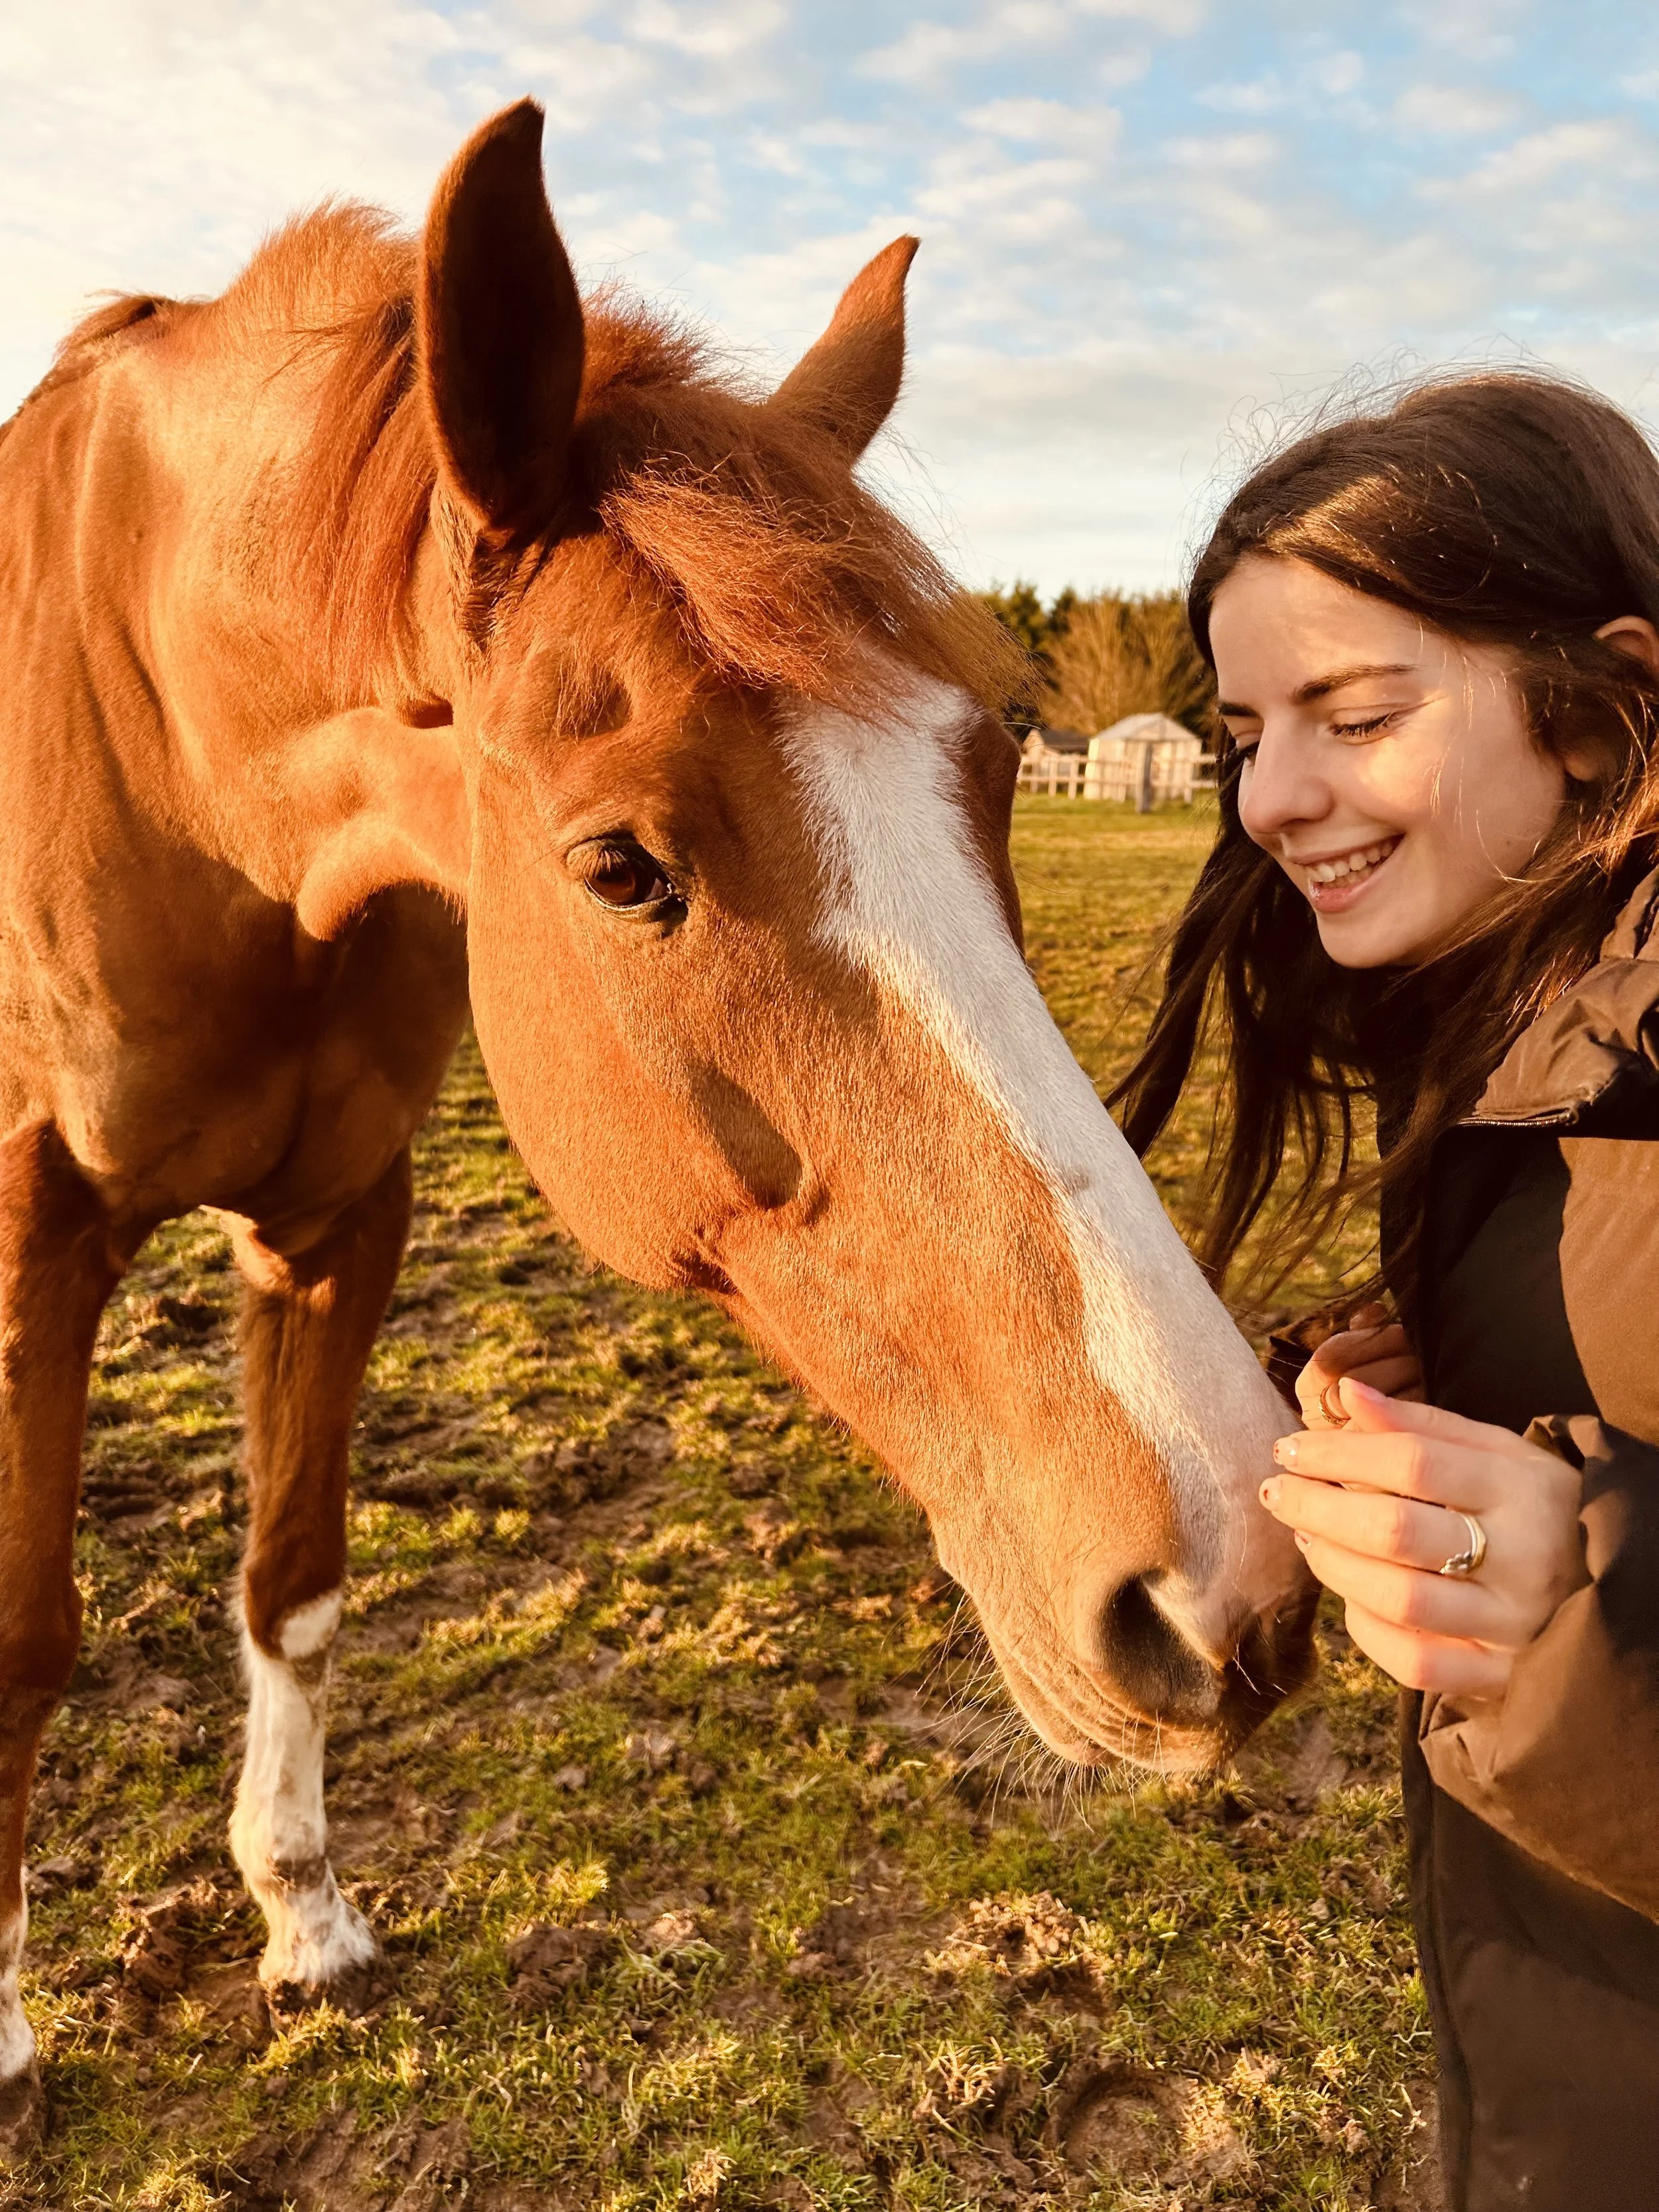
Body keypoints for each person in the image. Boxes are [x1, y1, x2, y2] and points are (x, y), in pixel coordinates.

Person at [1111, 372, 1659, 2211]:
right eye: (1245, 728)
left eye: (1353, 713)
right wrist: (1460, 1378)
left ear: (1589, 708)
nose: (1272, 798)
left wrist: (1580, 1599)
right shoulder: (1524, 1032)